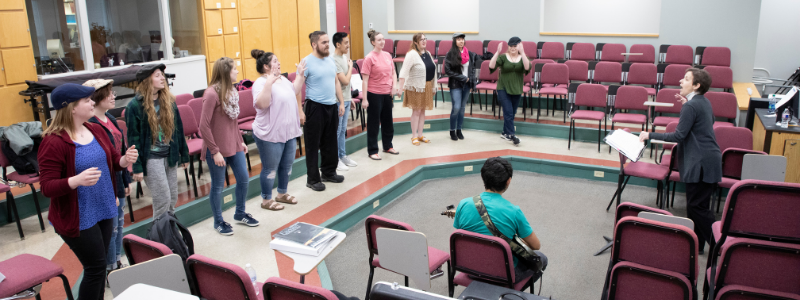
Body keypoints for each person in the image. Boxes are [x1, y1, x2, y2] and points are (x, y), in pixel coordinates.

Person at [38, 83, 139, 300]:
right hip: (79, 215)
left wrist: (124, 159)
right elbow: (46, 186)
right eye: (87, 100)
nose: (92, 102)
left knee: (98, 266)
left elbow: (113, 160)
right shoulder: (53, 141)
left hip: (103, 207)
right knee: (96, 268)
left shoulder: (94, 128)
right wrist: (75, 180)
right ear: (72, 107)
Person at [639, 68, 721, 255]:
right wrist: (688, 105)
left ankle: (719, 246)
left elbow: (679, 135)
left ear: (696, 85)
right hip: (709, 159)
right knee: (698, 206)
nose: (680, 81)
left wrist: (649, 134)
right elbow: (706, 121)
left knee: (697, 207)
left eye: (685, 79)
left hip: (701, 161)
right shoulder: (703, 102)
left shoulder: (691, 106)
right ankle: (697, 245)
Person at [452, 157, 546, 282]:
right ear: (508, 181)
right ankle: (510, 292)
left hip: (470, 269)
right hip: (503, 274)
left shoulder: (463, 204)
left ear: (483, 177)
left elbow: (462, 233)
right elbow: (536, 245)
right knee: (542, 259)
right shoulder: (514, 211)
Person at [200, 57, 260, 235]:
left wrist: (240, 141)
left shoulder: (232, 91)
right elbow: (203, 126)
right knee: (218, 186)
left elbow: (233, 122)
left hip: (233, 144)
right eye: (234, 69)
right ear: (226, 72)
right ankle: (218, 221)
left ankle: (240, 213)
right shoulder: (211, 94)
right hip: (216, 149)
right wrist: (215, 151)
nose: (237, 72)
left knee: (243, 178)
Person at [125, 64, 190, 220]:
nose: (163, 78)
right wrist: (137, 167)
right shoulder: (133, 106)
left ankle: (170, 232)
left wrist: (185, 155)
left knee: (172, 198)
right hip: (151, 158)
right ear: (147, 80)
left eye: (163, 75)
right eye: (157, 75)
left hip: (170, 155)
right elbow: (133, 139)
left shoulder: (169, 101)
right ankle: (160, 238)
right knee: (163, 199)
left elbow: (178, 130)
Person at [84, 79, 132, 275]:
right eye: (109, 93)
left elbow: (119, 154)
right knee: (110, 228)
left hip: (118, 179)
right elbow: (100, 161)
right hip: (106, 184)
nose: (114, 96)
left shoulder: (110, 119)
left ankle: (117, 261)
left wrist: (125, 180)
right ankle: (110, 268)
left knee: (119, 224)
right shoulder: (91, 125)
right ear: (96, 98)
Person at [251, 49, 305, 210]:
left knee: (287, 165)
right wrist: (269, 82)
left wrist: (300, 75)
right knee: (270, 168)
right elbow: (262, 104)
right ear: (266, 66)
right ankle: (266, 200)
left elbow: (294, 91)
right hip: (269, 133)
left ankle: (281, 194)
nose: (279, 63)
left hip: (288, 131)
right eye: (275, 61)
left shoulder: (282, 79)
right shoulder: (260, 83)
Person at [299, 31, 346, 191]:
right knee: (313, 145)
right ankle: (312, 179)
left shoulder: (330, 60)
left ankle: (328, 172)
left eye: (328, 42)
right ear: (314, 44)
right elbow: (298, 88)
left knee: (330, 141)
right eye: (324, 42)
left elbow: (336, 82)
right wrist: (300, 110)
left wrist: (341, 102)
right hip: (314, 107)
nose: (328, 45)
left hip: (331, 106)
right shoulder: (306, 62)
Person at [362, 29, 400, 160]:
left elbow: (394, 73)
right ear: (373, 42)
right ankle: (372, 150)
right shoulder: (369, 58)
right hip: (374, 94)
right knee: (373, 123)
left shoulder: (388, 55)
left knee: (388, 121)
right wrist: (365, 99)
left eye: (383, 39)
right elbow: (365, 80)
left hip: (387, 94)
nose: (382, 42)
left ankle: (388, 145)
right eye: (379, 40)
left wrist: (394, 86)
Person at [489, 37, 530, 146]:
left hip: (516, 89)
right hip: (503, 88)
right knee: (508, 112)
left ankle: (505, 132)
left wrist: (523, 52)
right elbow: (491, 66)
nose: (512, 48)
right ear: (508, 46)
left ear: (519, 46)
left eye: (515, 46)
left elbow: (527, 67)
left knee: (512, 113)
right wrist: (497, 53)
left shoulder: (523, 58)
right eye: (511, 46)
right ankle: (512, 135)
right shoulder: (503, 57)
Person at [398, 32, 437, 146]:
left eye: (425, 39)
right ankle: (414, 136)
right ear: (415, 42)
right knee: (417, 111)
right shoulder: (412, 54)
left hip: (427, 86)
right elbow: (403, 72)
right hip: (415, 87)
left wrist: (434, 87)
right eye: (421, 40)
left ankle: (420, 134)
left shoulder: (428, 53)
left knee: (423, 110)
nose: (424, 41)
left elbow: (433, 71)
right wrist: (400, 88)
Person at [444, 32, 481, 141]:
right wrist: (463, 78)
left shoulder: (468, 53)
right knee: (456, 107)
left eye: (462, 39)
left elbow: (473, 66)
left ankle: (459, 130)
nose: (461, 41)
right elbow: (448, 71)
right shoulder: (450, 54)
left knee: (462, 108)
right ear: (454, 41)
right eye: (458, 39)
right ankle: (452, 130)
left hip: (467, 84)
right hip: (456, 84)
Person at [332, 32, 358, 171]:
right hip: (338, 101)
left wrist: (350, 99)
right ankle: (335, 159)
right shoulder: (334, 60)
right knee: (337, 131)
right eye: (346, 43)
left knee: (343, 130)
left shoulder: (343, 57)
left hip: (346, 99)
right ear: (338, 44)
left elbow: (348, 85)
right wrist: (350, 67)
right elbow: (346, 81)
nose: (348, 45)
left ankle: (342, 156)